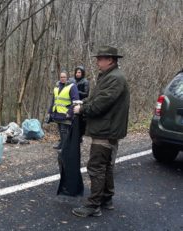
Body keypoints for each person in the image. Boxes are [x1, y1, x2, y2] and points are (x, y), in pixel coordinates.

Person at [72, 45, 130, 217]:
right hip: (107, 128)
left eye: (100, 58)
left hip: (106, 130)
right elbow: (96, 98)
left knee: (96, 167)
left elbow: (102, 103)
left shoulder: (115, 79)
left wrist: (82, 110)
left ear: (110, 60)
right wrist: (84, 103)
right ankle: (106, 198)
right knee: (106, 166)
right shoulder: (108, 76)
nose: (97, 61)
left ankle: (93, 205)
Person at [48, 71, 79, 151]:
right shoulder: (56, 87)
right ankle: (62, 144)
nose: (62, 78)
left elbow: (75, 100)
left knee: (64, 130)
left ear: (67, 77)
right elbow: (54, 100)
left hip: (66, 113)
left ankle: (65, 147)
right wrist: (50, 111)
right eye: (61, 77)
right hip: (57, 113)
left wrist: (70, 112)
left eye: (64, 77)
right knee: (60, 130)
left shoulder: (72, 86)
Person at [70, 65, 90, 138]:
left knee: (80, 121)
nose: (77, 74)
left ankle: (79, 136)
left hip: (81, 103)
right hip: (71, 102)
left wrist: (76, 91)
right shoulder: (72, 80)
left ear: (82, 73)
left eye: (79, 72)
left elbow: (86, 94)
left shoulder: (85, 81)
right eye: (76, 72)